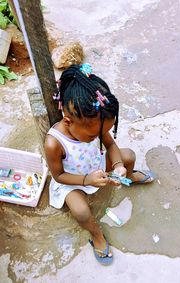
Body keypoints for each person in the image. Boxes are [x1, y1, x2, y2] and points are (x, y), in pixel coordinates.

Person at [45, 63, 155, 265]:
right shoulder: (54, 143)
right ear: (68, 121)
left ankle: (129, 176)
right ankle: (96, 234)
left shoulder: (95, 120)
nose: (99, 136)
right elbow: (59, 176)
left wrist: (119, 166)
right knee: (80, 211)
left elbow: (111, 145)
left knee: (128, 155)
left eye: (101, 132)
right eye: (93, 135)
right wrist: (87, 180)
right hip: (73, 179)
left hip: (93, 164)